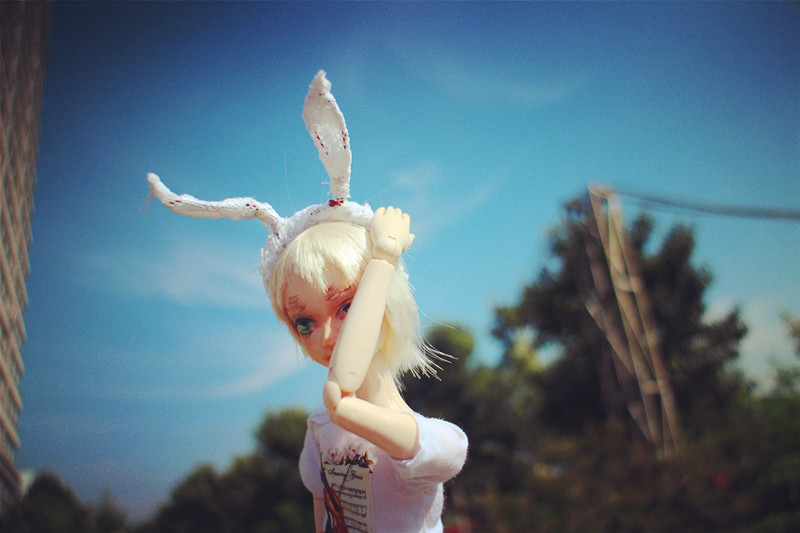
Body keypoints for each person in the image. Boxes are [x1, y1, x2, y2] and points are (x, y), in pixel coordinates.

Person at [147, 70, 467, 532]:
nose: (327, 336)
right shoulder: (321, 430)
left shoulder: (428, 438)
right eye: (304, 323)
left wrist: (382, 260)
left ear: (384, 301)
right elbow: (326, 513)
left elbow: (437, 451)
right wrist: (339, 411)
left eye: (347, 307)